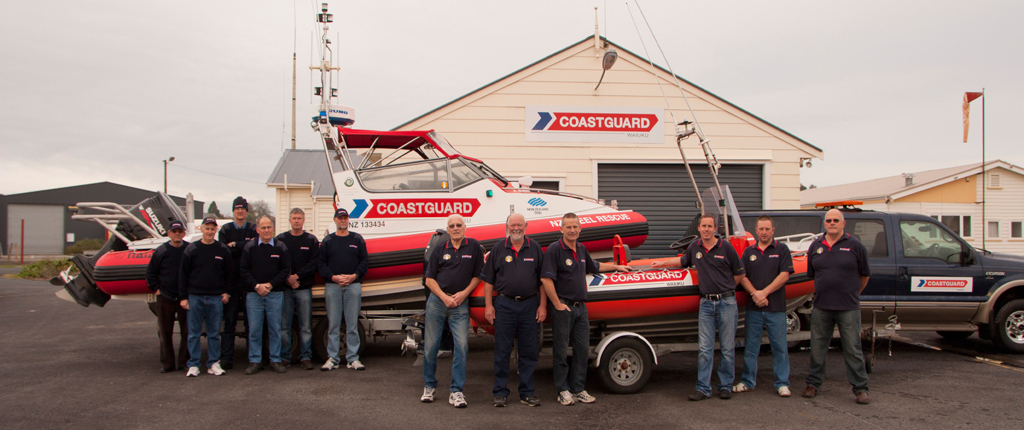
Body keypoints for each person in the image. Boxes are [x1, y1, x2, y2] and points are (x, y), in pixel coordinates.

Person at [652, 214, 746, 401]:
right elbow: (682, 261)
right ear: (699, 228)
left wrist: (726, 288)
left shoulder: (726, 247)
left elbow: (739, 273)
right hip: (706, 304)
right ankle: (703, 388)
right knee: (705, 348)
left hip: (726, 302)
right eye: (703, 226)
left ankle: (725, 385)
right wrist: (661, 263)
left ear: (715, 228)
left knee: (727, 348)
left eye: (710, 226)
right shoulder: (695, 247)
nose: (706, 229)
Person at [541, 212, 630, 406]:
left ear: (580, 229)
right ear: (562, 229)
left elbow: (594, 266)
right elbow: (546, 279)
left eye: (575, 227)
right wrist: (556, 303)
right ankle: (563, 390)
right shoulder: (554, 250)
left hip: (581, 309)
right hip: (563, 308)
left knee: (582, 351)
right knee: (561, 351)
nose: (572, 230)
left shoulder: (581, 249)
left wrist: (616, 267)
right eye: (569, 227)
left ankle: (578, 388)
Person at [802, 209, 871, 405]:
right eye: (829, 220)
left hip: (848, 307)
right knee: (817, 348)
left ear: (843, 223)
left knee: (852, 348)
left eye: (836, 220)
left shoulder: (855, 246)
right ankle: (813, 384)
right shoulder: (816, 246)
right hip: (822, 306)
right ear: (825, 224)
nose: (832, 223)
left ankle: (861, 388)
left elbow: (865, 275)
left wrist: (854, 293)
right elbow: (813, 274)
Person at [481, 213, 546, 407]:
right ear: (507, 226)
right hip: (504, 305)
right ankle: (500, 392)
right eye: (512, 225)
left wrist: (542, 305)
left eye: (519, 225)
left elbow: (543, 281)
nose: (516, 228)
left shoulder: (535, 248)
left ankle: (527, 392)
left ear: (526, 226)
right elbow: (488, 281)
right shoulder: (498, 249)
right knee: (502, 350)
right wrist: (488, 305)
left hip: (529, 305)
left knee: (529, 351)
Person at [421, 214, 484, 408]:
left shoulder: (473, 247)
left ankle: (456, 391)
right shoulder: (440, 249)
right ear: (447, 230)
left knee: (462, 346)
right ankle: (429, 386)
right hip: (438, 302)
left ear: (465, 227)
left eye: (459, 225)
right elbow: (429, 280)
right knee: (431, 346)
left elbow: (478, 275)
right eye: (452, 226)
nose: (455, 228)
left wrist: (463, 294)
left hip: (460, 304)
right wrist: (444, 297)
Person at [733, 215, 794, 397]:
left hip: (775, 308)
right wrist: (755, 294)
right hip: (754, 309)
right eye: (761, 229)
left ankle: (782, 383)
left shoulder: (782, 250)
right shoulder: (748, 252)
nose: (764, 232)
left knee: (779, 347)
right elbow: (742, 276)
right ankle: (747, 381)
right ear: (756, 230)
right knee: (751, 347)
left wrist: (763, 293)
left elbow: (784, 275)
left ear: (773, 231)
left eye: (767, 229)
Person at [179, 217, 233, 377]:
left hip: (215, 298)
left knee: (214, 333)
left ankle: (213, 363)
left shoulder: (222, 249)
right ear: (201, 229)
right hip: (195, 297)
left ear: (216, 230)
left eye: (212, 229)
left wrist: (227, 292)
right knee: (194, 333)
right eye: (207, 228)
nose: (209, 232)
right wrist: (183, 297)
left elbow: (230, 274)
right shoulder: (192, 249)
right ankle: (194, 364)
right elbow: (183, 274)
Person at [318, 208, 369, 371]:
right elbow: (321, 264)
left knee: (352, 324)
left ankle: (353, 358)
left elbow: (364, 262)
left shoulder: (357, 239)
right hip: (333, 286)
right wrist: (333, 277)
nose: (343, 221)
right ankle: (332, 358)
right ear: (335, 220)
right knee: (333, 323)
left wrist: (354, 276)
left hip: (353, 286)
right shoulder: (328, 240)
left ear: (348, 220)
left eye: (345, 218)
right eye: (340, 218)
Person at [239, 216, 291, 375]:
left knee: (275, 329)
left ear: (273, 228)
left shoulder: (281, 247)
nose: (266, 230)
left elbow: (285, 270)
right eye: (263, 228)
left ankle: (275, 360)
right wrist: (256, 286)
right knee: (254, 329)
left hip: (274, 294)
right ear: (257, 229)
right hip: (254, 295)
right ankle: (255, 361)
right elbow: (243, 270)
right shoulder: (250, 247)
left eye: (269, 227)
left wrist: (270, 285)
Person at [276, 208, 320, 370]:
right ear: (289, 220)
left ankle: (306, 357)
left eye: (299, 218)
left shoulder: (311, 240)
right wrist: (288, 277)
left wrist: (297, 277)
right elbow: (277, 262)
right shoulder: (281, 239)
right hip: (285, 288)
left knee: (305, 326)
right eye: (294, 218)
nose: (296, 221)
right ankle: (285, 357)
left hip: (304, 288)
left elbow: (314, 263)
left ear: (303, 220)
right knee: (284, 326)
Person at [145, 220, 190, 373]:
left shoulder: (189, 249)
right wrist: (156, 289)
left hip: (185, 297)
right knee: (165, 331)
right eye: (174, 231)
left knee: (187, 331)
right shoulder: (161, 251)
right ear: (169, 233)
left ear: (184, 233)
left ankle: (184, 362)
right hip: (165, 296)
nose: (177, 234)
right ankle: (167, 363)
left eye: (179, 231)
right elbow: (151, 273)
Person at [218, 196, 257, 369]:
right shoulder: (225, 229)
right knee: (229, 322)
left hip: (248, 282)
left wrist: (235, 245)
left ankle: (252, 359)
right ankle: (226, 358)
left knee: (251, 323)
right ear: (233, 211)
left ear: (246, 211)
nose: (240, 211)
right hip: (231, 283)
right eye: (237, 208)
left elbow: (254, 250)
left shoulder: (252, 228)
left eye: (243, 208)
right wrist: (242, 246)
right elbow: (223, 251)